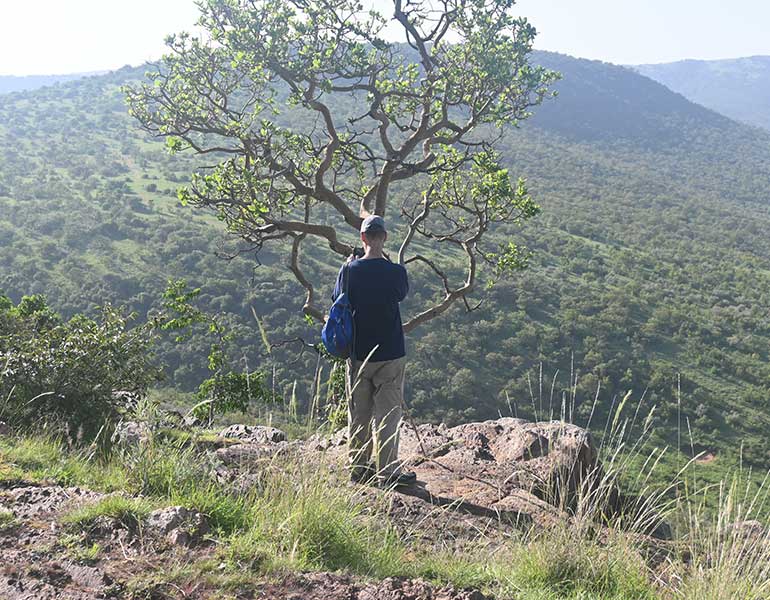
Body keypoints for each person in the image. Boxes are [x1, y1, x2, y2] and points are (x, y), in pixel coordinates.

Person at [332, 215, 417, 486]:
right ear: (385, 238)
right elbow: (401, 294)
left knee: (359, 413)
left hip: (358, 354)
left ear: (363, 238)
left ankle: (358, 467)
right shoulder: (396, 272)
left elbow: (337, 299)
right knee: (388, 414)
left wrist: (349, 264)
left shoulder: (349, 271)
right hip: (390, 352)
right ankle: (388, 472)